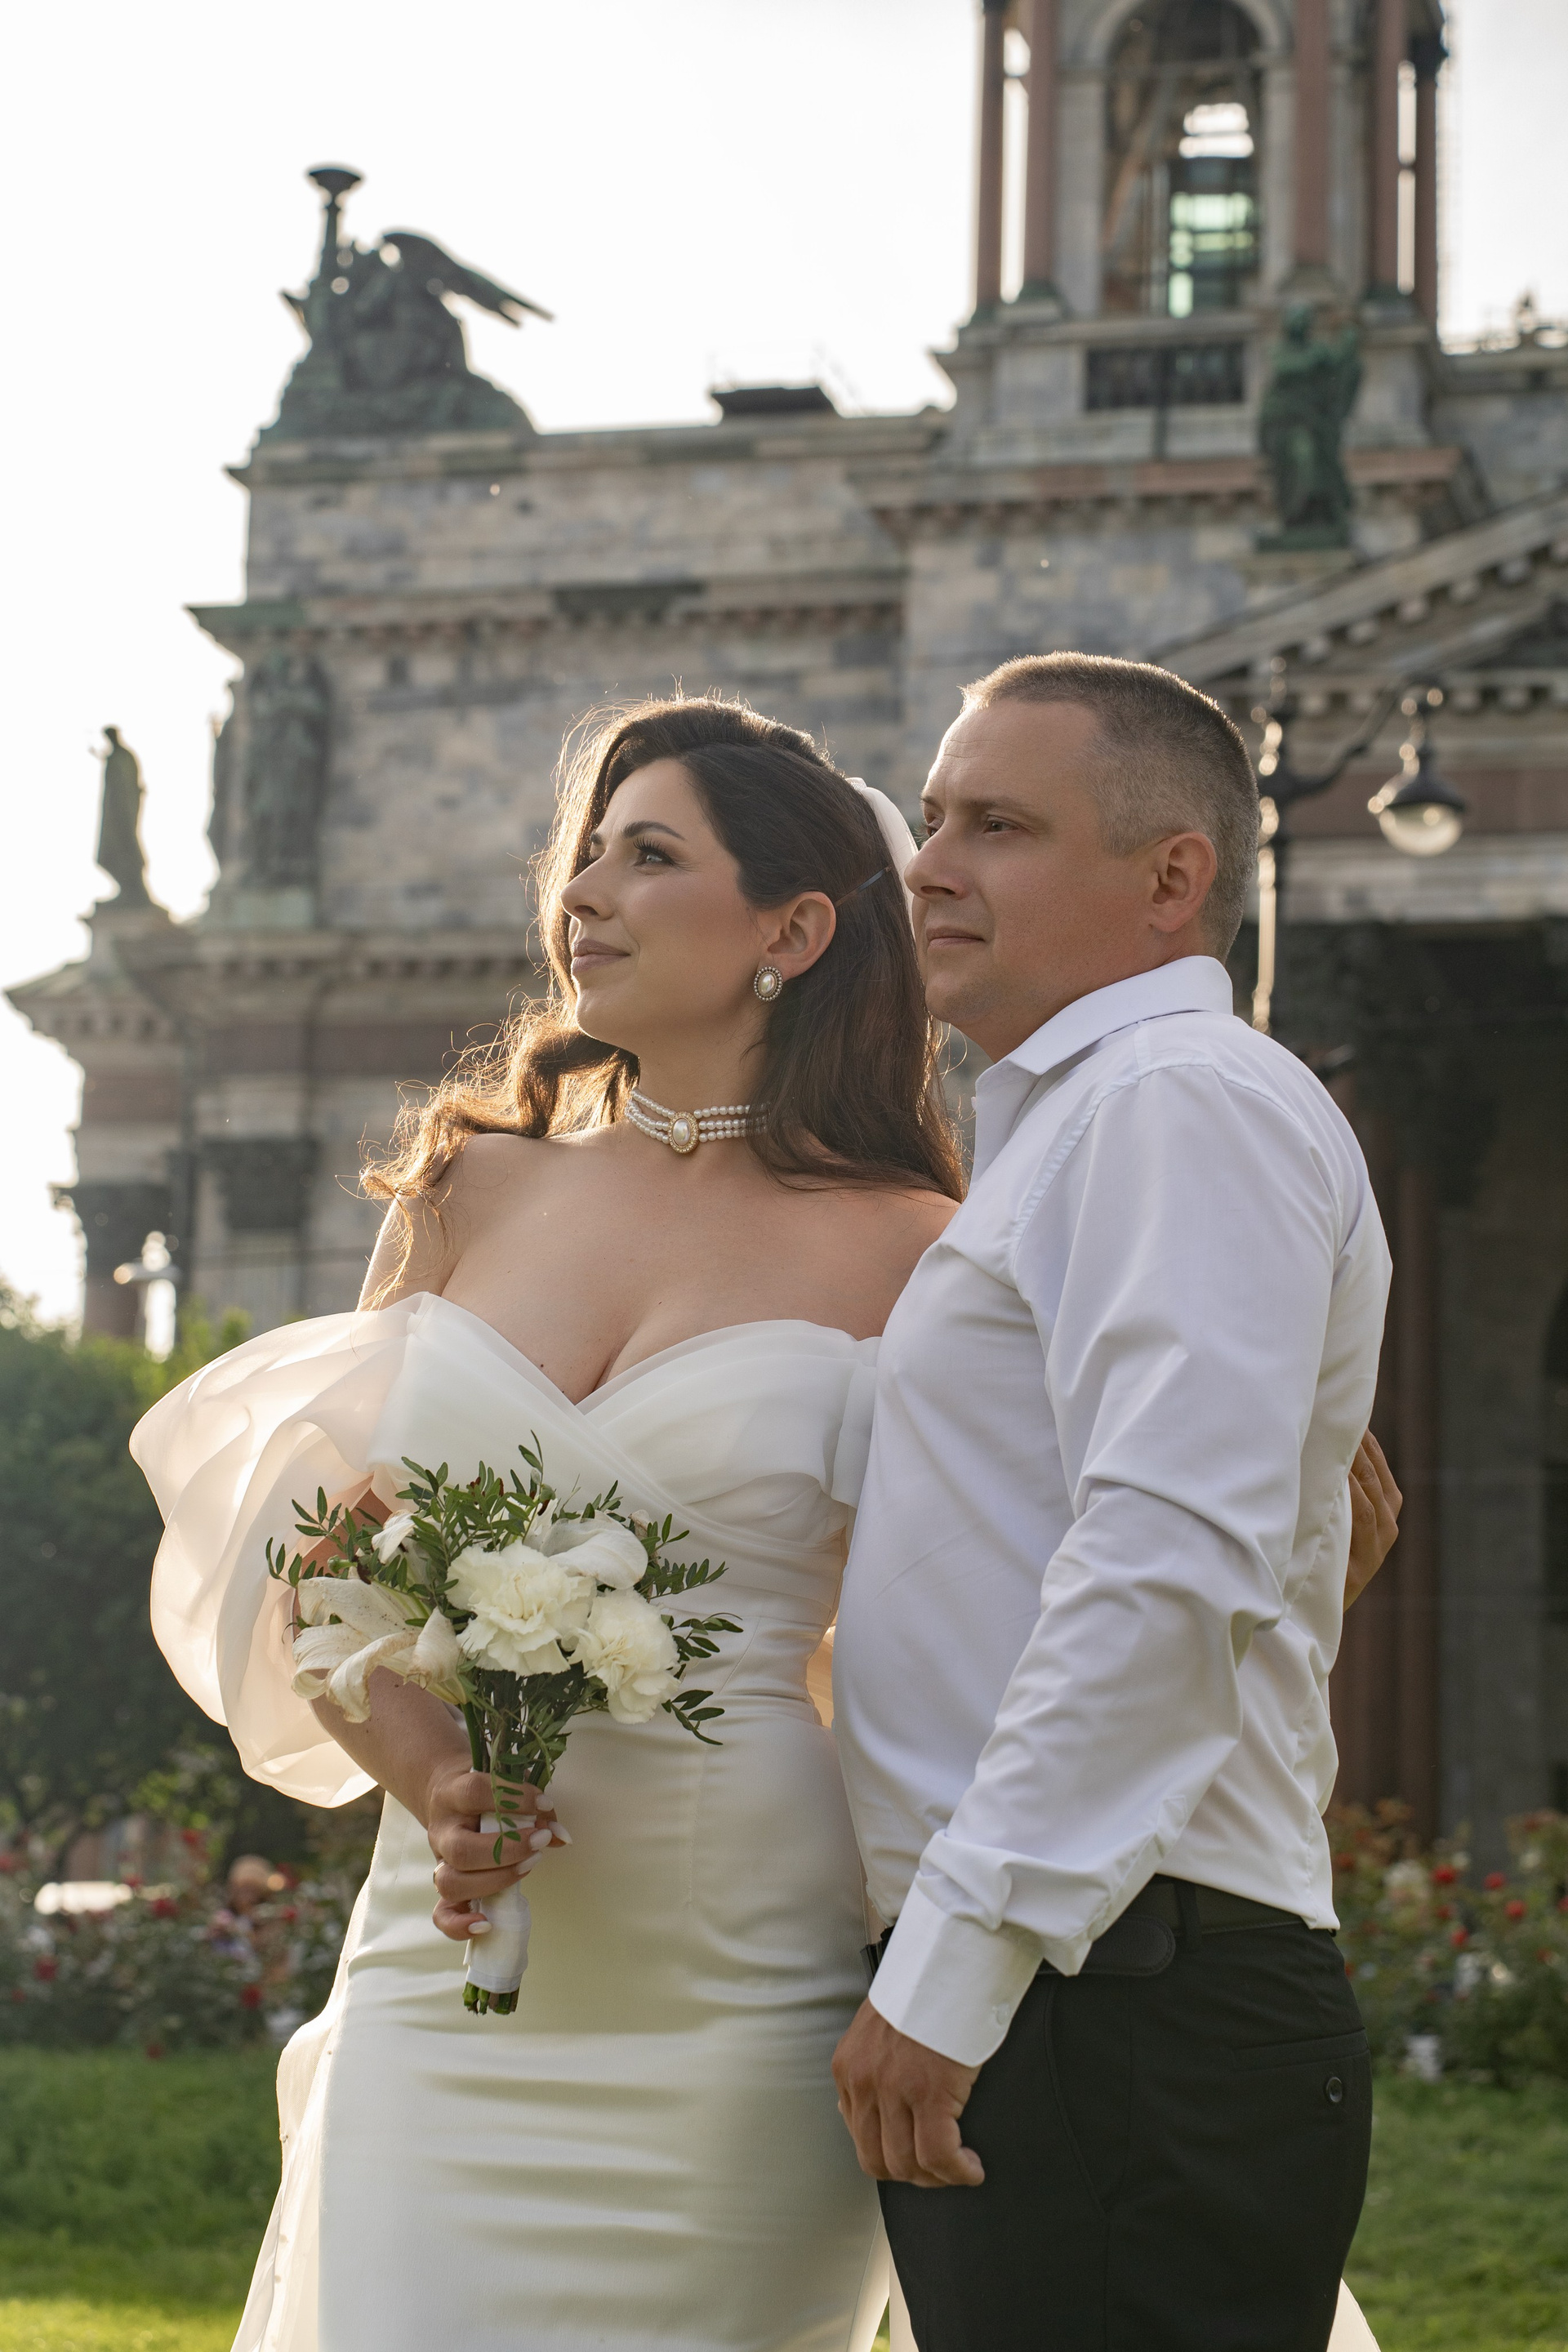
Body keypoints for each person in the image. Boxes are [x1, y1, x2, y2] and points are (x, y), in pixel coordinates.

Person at [131, 688, 1397, 2352]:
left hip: (750, 1972)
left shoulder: (930, 1247)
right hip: (450, 1963)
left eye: (649, 856)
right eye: (588, 854)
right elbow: (331, 1563)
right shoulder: (470, 1188)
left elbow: (1087, 1556)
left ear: (793, 931)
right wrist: (435, 1773)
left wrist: (1297, 1570)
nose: (583, 892)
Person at [830, 654, 1395, 2352]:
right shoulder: (1082, 1122)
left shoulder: (1174, 1103)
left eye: (997, 827)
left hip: (1109, 1987)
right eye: (933, 817)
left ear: (1171, 879)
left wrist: (954, 1965)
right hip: (1091, 1978)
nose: (929, 866)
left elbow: (1166, 1556)